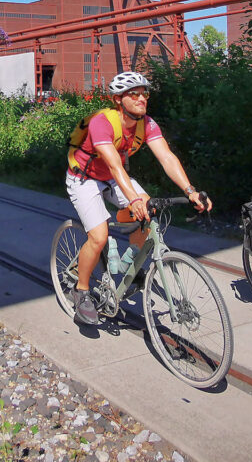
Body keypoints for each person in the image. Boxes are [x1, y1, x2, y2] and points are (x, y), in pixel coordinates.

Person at [65, 70, 211, 326]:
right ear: (119, 99)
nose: (142, 98)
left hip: (112, 179)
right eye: (135, 94)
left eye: (145, 93)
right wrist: (133, 199)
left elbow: (166, 157)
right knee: (98, 236)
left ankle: (130, 269)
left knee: (149, 212)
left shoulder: (147, 123)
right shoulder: (103, 121)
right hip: (84, 178)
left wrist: (190, 190)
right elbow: (114, 165)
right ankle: (81, 290)